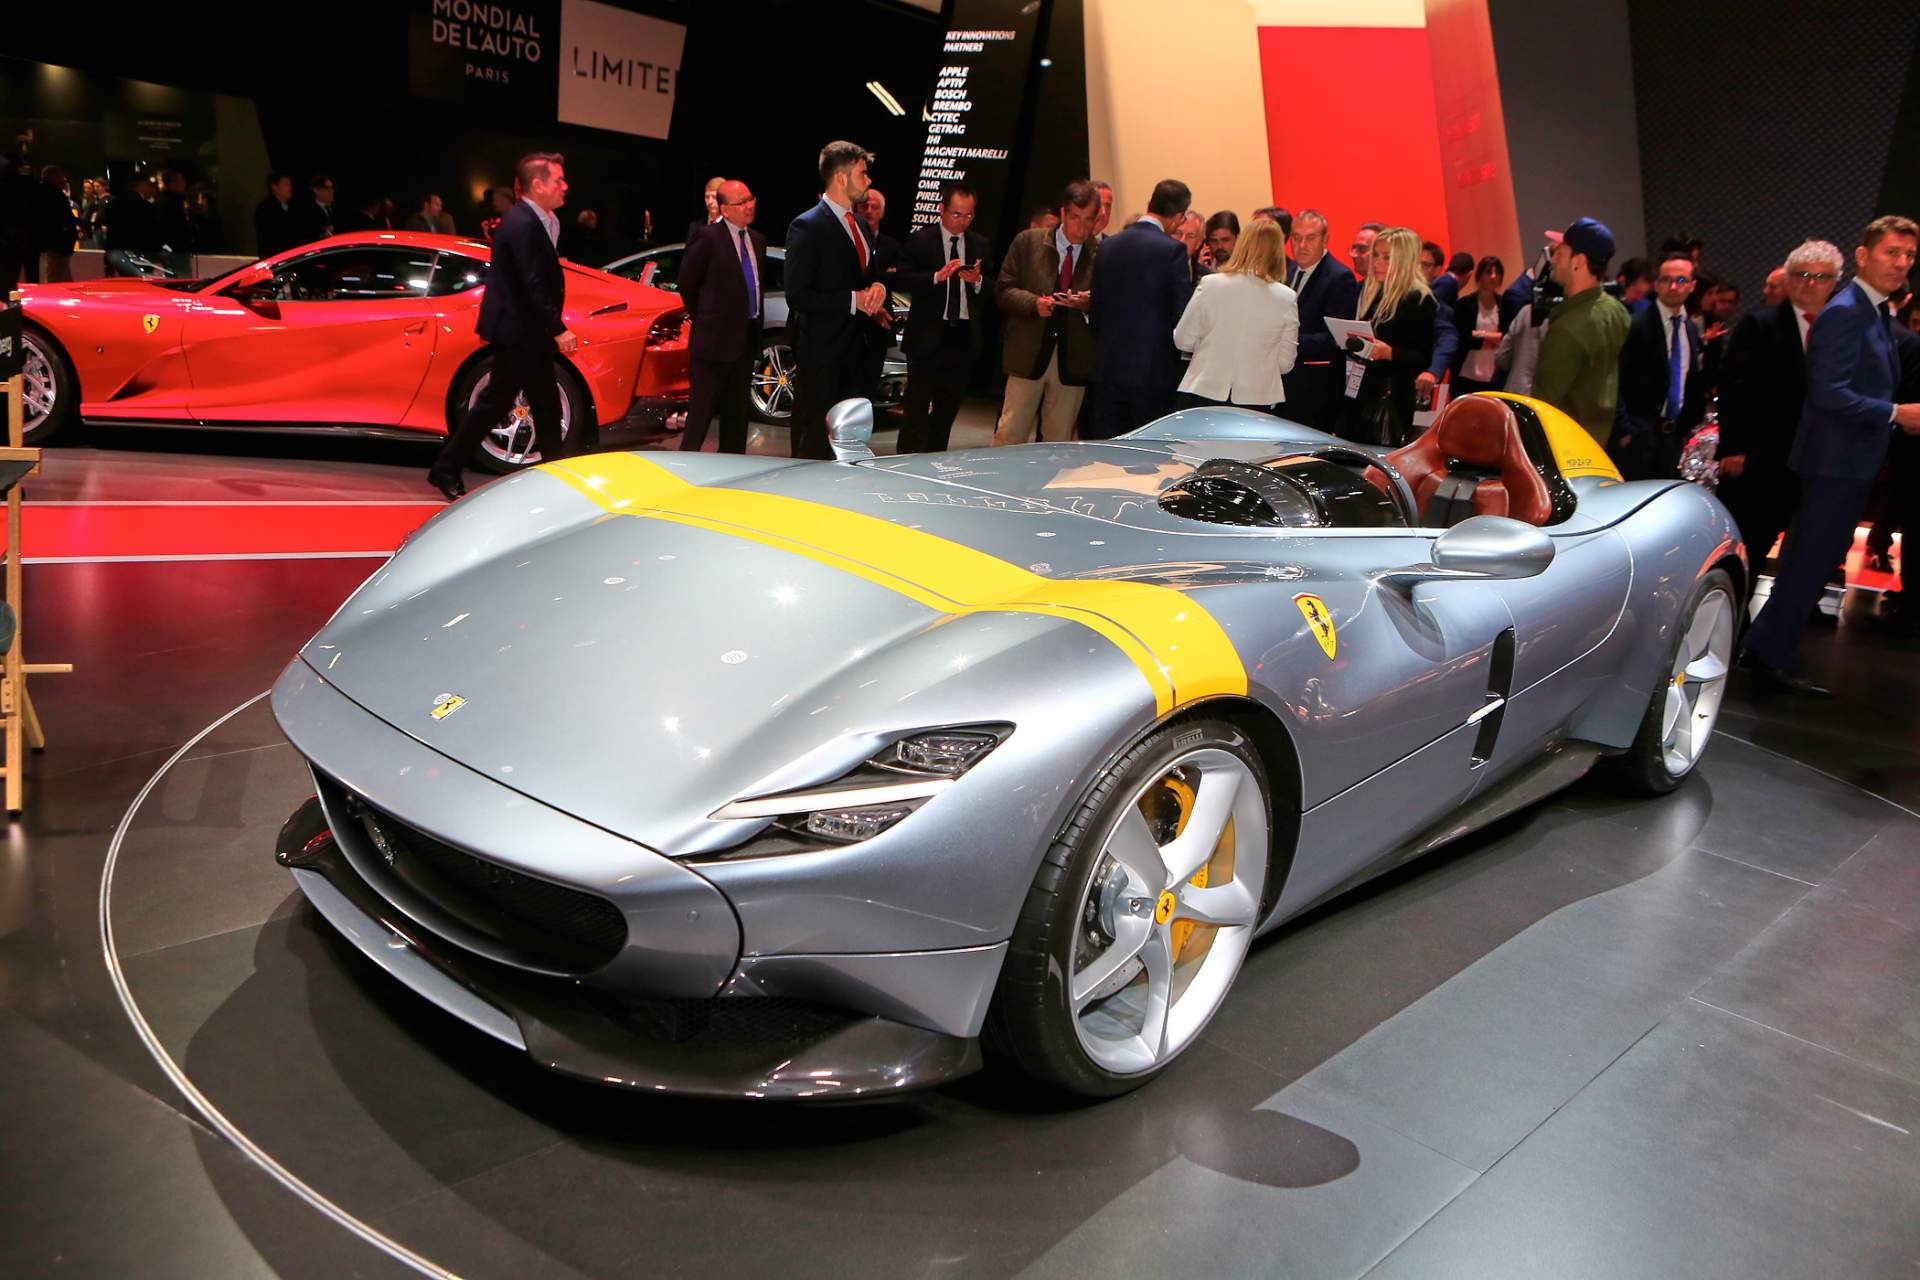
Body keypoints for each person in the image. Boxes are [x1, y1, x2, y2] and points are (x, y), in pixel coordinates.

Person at [1741, 215, 1920, 693]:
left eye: (1908, 255)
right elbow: (1829, 393)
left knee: (1812, 562)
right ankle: (1769, 654)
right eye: (1891, 252)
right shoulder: (1847, 312)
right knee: (1807, 562)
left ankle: (1767, 646)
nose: (1901, 263)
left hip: (1848, 462)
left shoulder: (1875, 311)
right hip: (1833, 463)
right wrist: (1895, 413)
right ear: (1863, 256)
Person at [428, 153, 577, 500]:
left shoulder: (544, 220)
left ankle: (555, 476)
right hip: (518, 330)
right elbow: (531, 282)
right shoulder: (521, 222)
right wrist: (558, 327)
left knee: (544, 403)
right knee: (498, 402)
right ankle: (445, 468)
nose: (564, 186)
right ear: (537, 185)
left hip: (529, 330)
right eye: (558, 180)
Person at [1717, 242, 1839, 571]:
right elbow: (1735, 387)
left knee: (1804, 552)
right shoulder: (1760, 325)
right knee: (1748, 545)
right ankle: (1733, 618)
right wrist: (1734, 447)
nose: (1811, 283)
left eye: (1821, 276)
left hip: (1817, 460)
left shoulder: (1842, 329)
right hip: (1761, 458)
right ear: (1788, 279)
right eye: (1802, 275)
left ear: (1834, 282)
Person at [784, 140, 885, 460]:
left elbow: (867, 276)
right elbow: (797, 295)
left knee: (848, 447)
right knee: (813, 443)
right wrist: (853, 300)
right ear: (841, 178)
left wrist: (879, 286)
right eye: (862, 174)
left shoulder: (862, 227)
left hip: (858, 354)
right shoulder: (807, 225)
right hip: (822, 356)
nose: (868, 181)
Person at [993, 180, 1098, 445]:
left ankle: (1044, 487)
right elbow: (1004, 290)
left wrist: (1088, 305)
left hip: (1073, 359)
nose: (1081, 227)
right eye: (1075, 218)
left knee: (1058, 441)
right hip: (1028, 353)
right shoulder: (1028, 242)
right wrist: (1033, 303)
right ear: (1063, 214)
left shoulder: (1100, 253)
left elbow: (1111, 306)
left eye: (1088, 220)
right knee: (1011, 432)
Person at [1089, 178, 1195, 438]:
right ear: (1178, 217)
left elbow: (1097, 310)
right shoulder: (1173, 251)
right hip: (1151, 375)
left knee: (1106, 450)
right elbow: (1181, 315)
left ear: (1150, 203)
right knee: (1145, 458)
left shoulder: (1109, 245)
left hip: (1107, 368)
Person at [892, 181, 989, 453]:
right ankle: (906, 461)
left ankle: (933, 461)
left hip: (962, 336)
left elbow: (994, 287)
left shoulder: (980, 243)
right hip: (927, 335)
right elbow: (901, 278)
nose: (962, 221)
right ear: (942, 210)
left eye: (969, 215)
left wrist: (978, 280)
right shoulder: (921, 240)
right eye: (957, 214)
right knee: (916, 406)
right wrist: (937, 277)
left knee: (948, 407)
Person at [677, 180, 768, 455]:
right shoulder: (708, 237)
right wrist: (706, 318)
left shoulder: (758, 240)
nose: (749, 206)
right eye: (742, 203)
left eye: (751, 199)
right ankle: (684, 470)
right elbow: (687, 283)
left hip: (745, 339)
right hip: (713, 343)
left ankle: (732, 469)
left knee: (737, 416)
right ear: (725, 209)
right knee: (700, 415)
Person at [1172, 217, 1298, 412]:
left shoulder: (1210, 284)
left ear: (1242, 244)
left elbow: (1182, 340)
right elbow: (1285, 363)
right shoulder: (1286, 298)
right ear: (1278, 251)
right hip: (1257, 400)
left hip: (1202, 392)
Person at [1531, 217, 1631, 448]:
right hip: (1596, 444)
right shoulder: (1616, 311)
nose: (1553, 260)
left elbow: (1544, 403)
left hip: (1563, 449)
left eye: (1560, 253)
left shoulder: (1569, 328)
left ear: (1578, 261)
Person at [1612, 253, 1705, 479]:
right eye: (1665, 280)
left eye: (1681, 280)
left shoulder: (1689, 328)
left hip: (1672, 437)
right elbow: (1615, 379)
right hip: (1639, 438)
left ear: (1692, 285)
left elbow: (1689, 379)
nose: (1673, 286)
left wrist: (1686, 426)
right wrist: (1626, 429)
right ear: (1656, 284)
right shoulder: (1637, 324)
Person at [1342, 226, 1436, 447]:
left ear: (1403, 260)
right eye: (1376, 255)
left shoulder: (1418, 299)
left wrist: (1390, 353)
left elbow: (1422, 356)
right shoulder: (1372, 292)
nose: (1377, 263)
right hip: (1361, 392)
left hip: (1390, 396)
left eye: (1386, 257)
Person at [1280, 209, 1361, 432]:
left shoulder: (1339, 277)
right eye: (1296, 238)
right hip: (1283, 383)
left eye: (1310, 238)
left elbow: (1335, 337)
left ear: (1325, 240)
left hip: (1315, 387)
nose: (1302, 245)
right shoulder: (1287, 270)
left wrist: (1286, 340)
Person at [853, 187, 903, 403]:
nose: (869, 211)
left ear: (882, 212)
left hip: (878, 328)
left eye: (875, 207)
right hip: (850, 322)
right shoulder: (848, 240)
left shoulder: (892, 246)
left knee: (868, 382)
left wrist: (880, 281)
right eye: (865, 206)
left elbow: (898, 277)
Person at [1451, 256, 1517, 395]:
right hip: (1467, 374)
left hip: (1494, 375)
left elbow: (1507, 336)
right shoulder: (1465, 304)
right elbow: (1464, 336)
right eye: (1488, 272)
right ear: (1479, 276)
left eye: (1497, 273)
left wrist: (1479, 334)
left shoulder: (1505, 304)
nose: (1493, 277)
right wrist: (1490, 338)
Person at [102, 174, 162, 275]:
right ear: (140, 186)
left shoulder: (113, 204)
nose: (151, 189)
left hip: (116, 252)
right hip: (139, 253)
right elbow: (151, 233)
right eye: (148, 185)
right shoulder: (146, 207)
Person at [30, 166, 78, 283]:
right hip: (56, 241)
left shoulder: (41, 193)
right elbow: (64, 217)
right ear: (53, 177)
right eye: (60, 176)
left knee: (59, 271)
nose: (63, 179)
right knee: (56, 273)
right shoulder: (54, 195)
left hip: (54, 241)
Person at [1496, 300, 1550, 395]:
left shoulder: (1526, 311)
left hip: (1514, 390)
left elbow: (1502, 358)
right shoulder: (1566, 317)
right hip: (1544, 398)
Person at [253, 172, 297, 257]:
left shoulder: (293, 206)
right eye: (286, 184)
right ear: (275, 187)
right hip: (275, 256)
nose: (290, 187)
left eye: (290, 184)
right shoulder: (265, 209)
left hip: (292, 254)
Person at [290, 174, 338, 245]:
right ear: (316, 190)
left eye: (332, 188)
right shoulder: (307, 212)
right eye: (327, 188)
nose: (331, 191)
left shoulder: (338, 208)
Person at [1174, 211, 1211, 284]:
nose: (1182, 241)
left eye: (1190, 236)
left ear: (1198, 243)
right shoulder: (1153, 269)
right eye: (1178, 233)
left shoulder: (1207, 279)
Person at [686, 176, 725, 243]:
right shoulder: (695, 228)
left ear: (723, 198)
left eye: (714, 197)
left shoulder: (731, 226)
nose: (710, 202)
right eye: (707, 197)